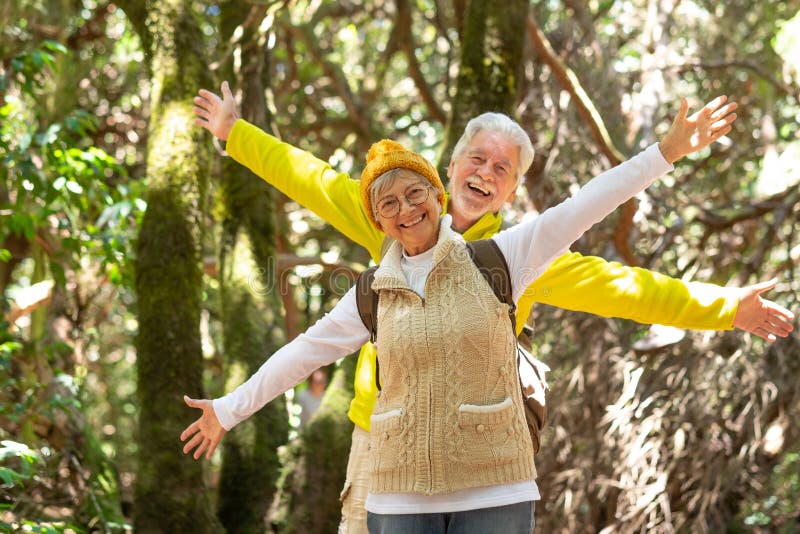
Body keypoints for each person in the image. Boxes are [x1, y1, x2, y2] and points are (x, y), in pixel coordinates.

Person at [191, 84, 795, 532]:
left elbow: (627, 287)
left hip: (478, 453)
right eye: (476, 159)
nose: (485, 172)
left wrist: (724, 307)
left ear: (510, 191)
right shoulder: (391, 210)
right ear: (450, 167)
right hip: (384, 442)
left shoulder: (518, 258)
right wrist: (232, 132)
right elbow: (310, 177)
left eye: (501, 169)